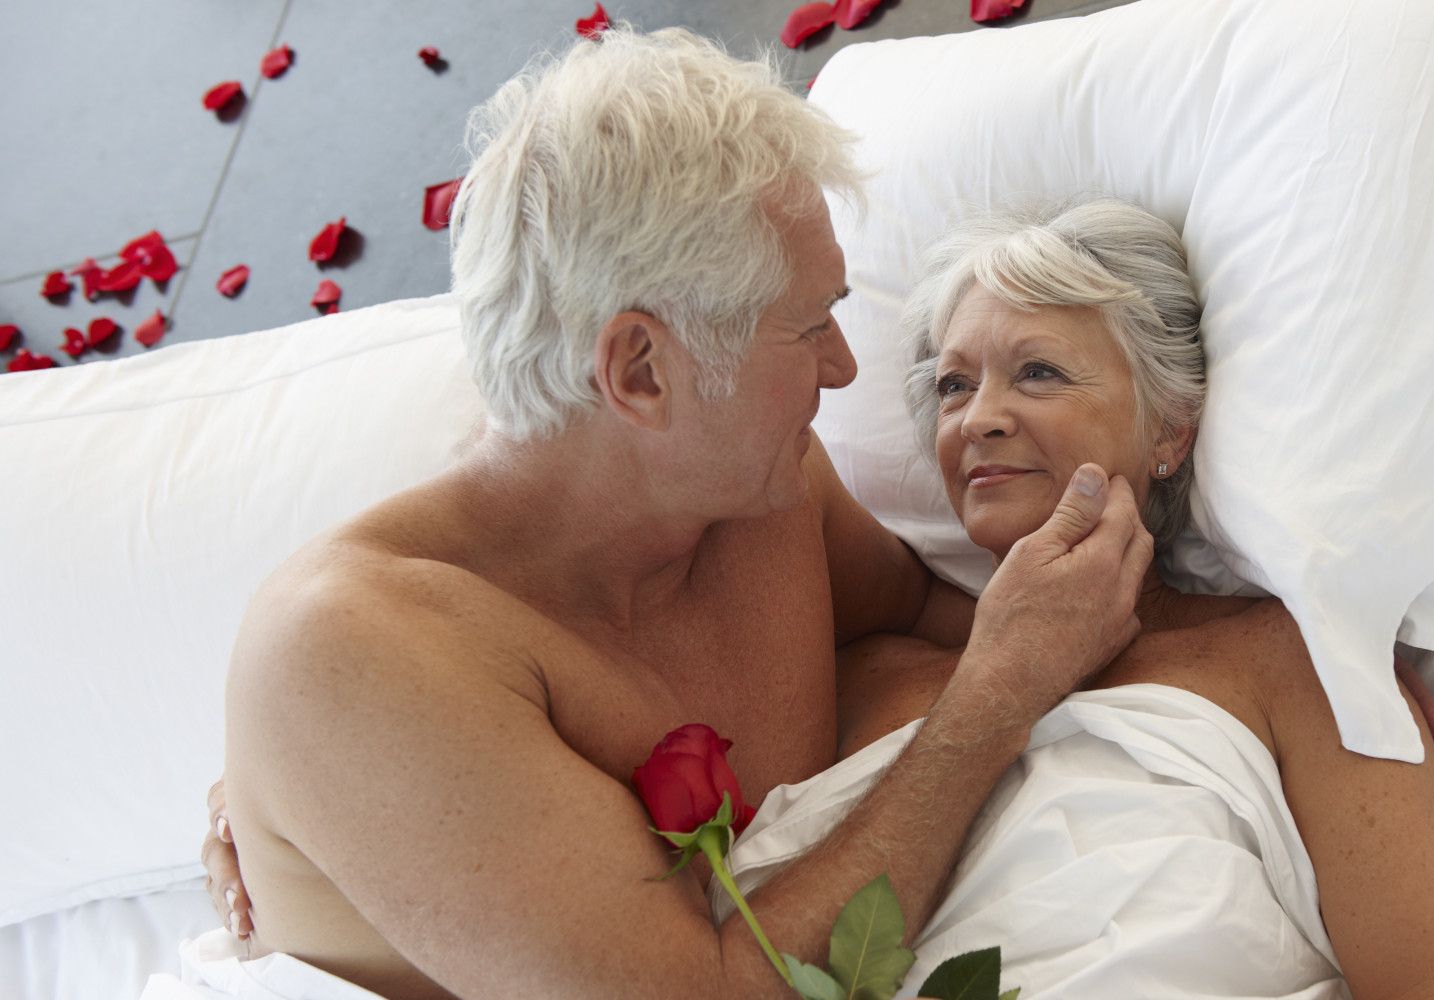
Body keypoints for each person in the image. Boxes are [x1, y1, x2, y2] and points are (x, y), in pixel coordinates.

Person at [199, 27, 1155, 1000]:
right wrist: (987, 704)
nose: (844, 366)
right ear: (642, 371)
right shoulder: (365, 657)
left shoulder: (754, 496)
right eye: (807, 326)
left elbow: (949, 616)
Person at [705, 201, 1434, 998]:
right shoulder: (858, 674)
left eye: (1039, 372)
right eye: (955, 386)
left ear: (1170, 430)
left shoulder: (1289, 663)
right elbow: (718, 972)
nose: (980, 417)